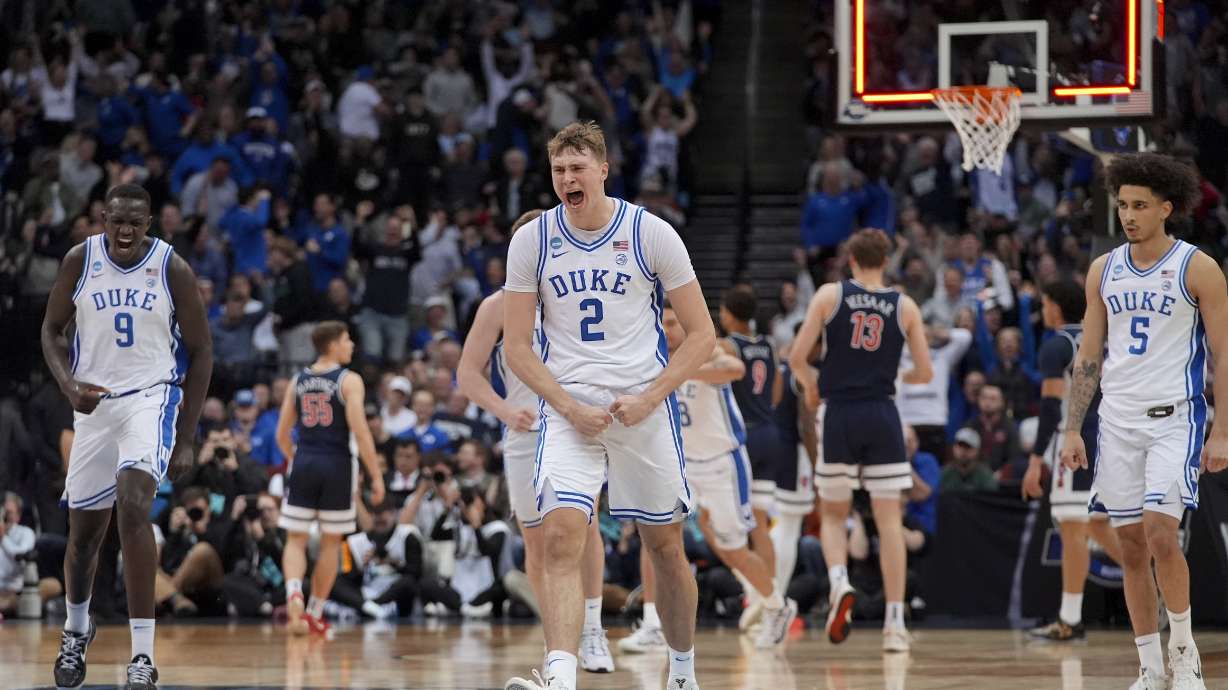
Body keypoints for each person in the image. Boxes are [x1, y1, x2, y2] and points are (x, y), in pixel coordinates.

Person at [502, 122, 714, 690]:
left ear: (602, 170)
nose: (567, 179)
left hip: (641, 406)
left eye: (577, 168)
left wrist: (650, 398)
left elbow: (701, 335)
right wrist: (567, 407)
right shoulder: (532, 240)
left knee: (665, 546)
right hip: (568, 409)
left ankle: (683, 672)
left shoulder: (652, 233)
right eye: (558, 170)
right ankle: (562, 677)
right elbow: (518, 347)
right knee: (562, 534)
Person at [1061, 153, 1228, 690]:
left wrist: (1222, 429)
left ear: (1166, 208)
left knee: (1161, 536)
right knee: (1130, 544)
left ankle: (1186, 657)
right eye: (1122, 205)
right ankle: (1150, 669)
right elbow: (1087, 356)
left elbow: (1223, 356)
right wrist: (1071, 427)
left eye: (1138, 206)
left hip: (1174, 420)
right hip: (1116, 423)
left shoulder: (1197, 267)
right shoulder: (1101, 271)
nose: (1128, 215)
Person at [41, 183, 213, 690]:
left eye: (135, 222)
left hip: (149, 399)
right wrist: (69, 387)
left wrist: (185, 436)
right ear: (102, 217)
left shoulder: (170, 267)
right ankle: (76, 629)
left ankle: (143, 657)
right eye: (117, 220)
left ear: (149, 223)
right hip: (94, 407)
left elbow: (202, 352)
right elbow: (51, 331)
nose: (125, 230)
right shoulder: (80, 260)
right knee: (84, 539)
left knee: (135, 506)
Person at [456, 208, 615, 673]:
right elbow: (467, 374)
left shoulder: (575, 293)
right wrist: (505, 410)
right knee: (537, 541)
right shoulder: (497, 305)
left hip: (575, 424)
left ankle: (592, 629)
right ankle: (558, 640)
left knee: (583, 526)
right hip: (526, 431)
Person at [789, 228, 933, 653]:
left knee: (833, 515)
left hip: (839, 414)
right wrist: (899, 376)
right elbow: (925, 372)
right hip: (883, 414)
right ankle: (895, 625)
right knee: (890, 523)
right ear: (885, 261)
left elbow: (796, 358)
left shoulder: (829, 297)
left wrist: (812, 388)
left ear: (850, 261)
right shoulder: (904, 305)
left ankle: (838, 582)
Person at [666, 303, 798, 647]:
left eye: (671, 323)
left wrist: (683, 372)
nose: (666, 330)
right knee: (664, 540)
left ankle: (774, 603)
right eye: (662, 323)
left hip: (722, 465)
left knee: (736, 548)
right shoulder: (653, 355)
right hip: (684, 465)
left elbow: (735, 368)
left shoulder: (708, 350)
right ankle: (658, 622)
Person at [1023, 279, 1124, 641]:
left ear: (1053, 306)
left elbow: (1051, 408)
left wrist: (1036, 459)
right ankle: (1153, 580)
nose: (1043, 309)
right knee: (1096, 524)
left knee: (1072, 528)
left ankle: (1069, 619)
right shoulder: (1106, 338)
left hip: (1078, 440)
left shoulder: (1057, 345)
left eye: (1045, 302)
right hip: (1113, 437)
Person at [275, 321, 386, 637]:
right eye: (347, 339)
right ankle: (314, 612)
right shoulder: (349, 381)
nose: (351, 345)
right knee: (330, 543)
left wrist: (294, 457)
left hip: (305, 460)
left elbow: (282, 433)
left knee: (295, 538)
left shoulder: (297, 380)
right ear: (333, 345)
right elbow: (360, 431)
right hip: (337, 463)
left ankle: (294, 591)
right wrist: (376, 475)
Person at [718, 285, 781, 631]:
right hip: (770, 432)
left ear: (728, 313)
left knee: (725, 522)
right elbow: (777, 391)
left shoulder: (727, 346)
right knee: (760, 523)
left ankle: (754, 592)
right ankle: (768, 599)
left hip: (742, 436)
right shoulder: (770, 346)